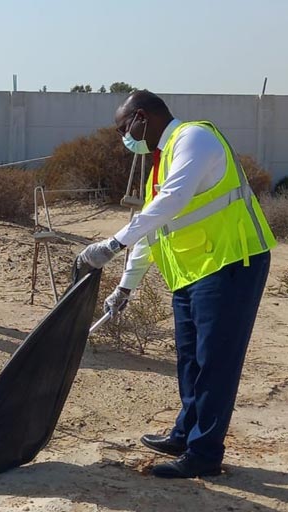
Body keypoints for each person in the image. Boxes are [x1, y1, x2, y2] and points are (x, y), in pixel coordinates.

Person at [77, 90, 276, 478]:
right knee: (190, 360)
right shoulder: (160, 161)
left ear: (142, 117)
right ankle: (185, 434)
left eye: (124, 128)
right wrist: (125, 288)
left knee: (215, 363)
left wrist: (113, 244)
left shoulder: (194, 139)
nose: (124, 137)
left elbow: (173, 199)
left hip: (232, 262)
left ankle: (204, 454)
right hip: (193, 272)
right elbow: (156, 229)